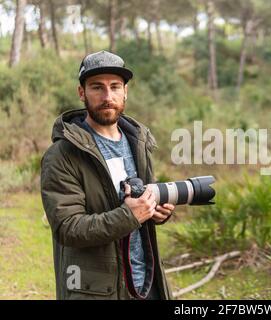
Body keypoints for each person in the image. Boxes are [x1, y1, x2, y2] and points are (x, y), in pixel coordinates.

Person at [40, 50, 174, 300]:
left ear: (126, 91)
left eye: (115, 86)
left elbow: (138, 207)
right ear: (82, 92)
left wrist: (154, 211)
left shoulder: (139, 143)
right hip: (95, 290)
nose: (107, 96)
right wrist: (130, 215)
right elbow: (68, 228)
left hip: (145, 282)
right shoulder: (62, 154)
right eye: (97, 87)